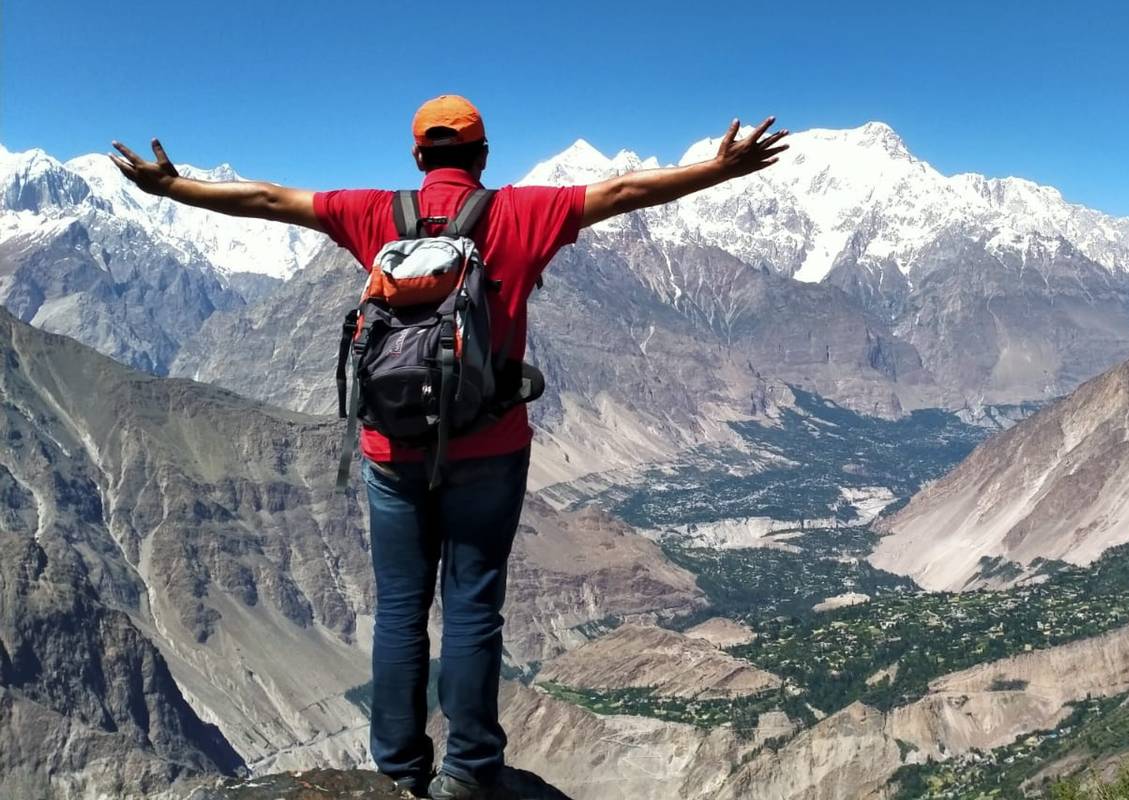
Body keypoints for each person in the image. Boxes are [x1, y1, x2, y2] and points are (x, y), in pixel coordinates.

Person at [110, 95, 788, 800]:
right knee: (472, 606)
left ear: (416, 157)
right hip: (490, 449)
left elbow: (269, 197)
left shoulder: (372, 213)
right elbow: (621, 191)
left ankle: (398, 769)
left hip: (391, 452)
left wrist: (175, 187)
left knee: (401, 608)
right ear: (484, 157)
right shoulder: (522, 213)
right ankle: (468, 772)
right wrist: (719, 170)